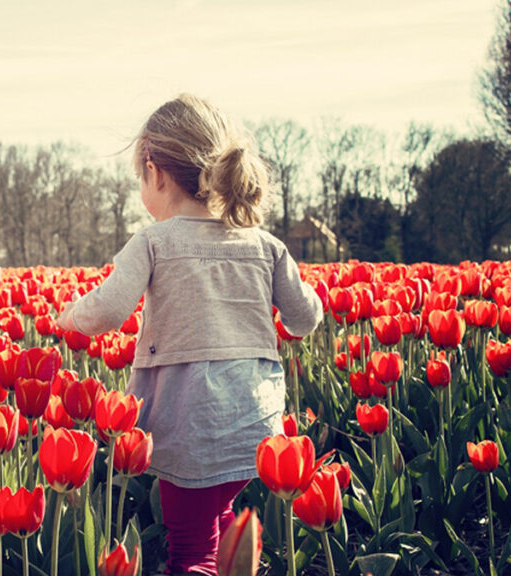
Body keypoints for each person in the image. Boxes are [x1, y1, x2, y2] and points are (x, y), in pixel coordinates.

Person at [56, 94, 322, 576]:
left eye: (141, 178)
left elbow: (110, 310)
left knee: (191, 551)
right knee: (219, 520)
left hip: (189, 420)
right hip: (255, 423)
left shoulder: (154, 241)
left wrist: (69, 316)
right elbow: (304, 319)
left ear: (155, 173)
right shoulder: (265, 244)